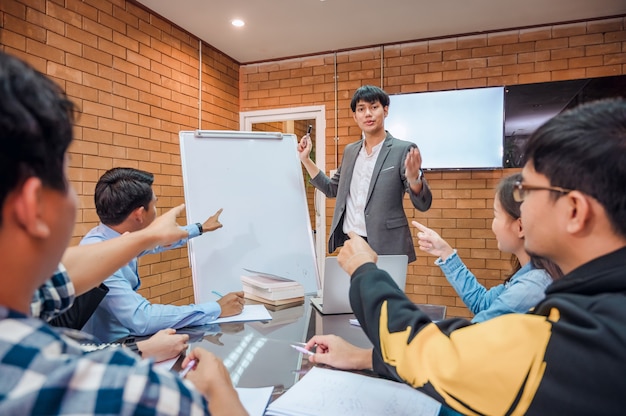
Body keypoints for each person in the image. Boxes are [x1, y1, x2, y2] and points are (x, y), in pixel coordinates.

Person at [305, 98, 626, 415]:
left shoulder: (575, 335)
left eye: (525, 191)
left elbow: (445, 357)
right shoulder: (589, 300)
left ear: (574, 210)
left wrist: (365, 270)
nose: (521, 207)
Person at [0, 51, 246, 415]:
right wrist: (217, 386)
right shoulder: (128, 392)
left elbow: (69, 272)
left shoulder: (46, 285)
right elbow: (139, 318)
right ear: (32, 206)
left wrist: (189, 230)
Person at [80, 167, 244, 343]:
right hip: (110, 351)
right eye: (155, 204)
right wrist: (216, 308)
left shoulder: (111, 235)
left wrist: (199, 228)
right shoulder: (101, 257)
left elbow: (156, 243)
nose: (157, 210)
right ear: (139, 214)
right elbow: (143, 318)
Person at [33, 204, 194, 361]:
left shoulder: (35, 296)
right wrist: (142, 350)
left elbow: (61, 330)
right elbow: (142, 319)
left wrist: (197, 228)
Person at [297, 85, 432, 262]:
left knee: (384, 291)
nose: (367, 113)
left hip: (387, 246)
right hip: (351, 243)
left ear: (385, 110)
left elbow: (423, 204)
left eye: (374, 107)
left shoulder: (403, 149)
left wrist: (414, 179)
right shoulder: (350, 151)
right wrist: (306, 160)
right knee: (351, 291)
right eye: (361, 109)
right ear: (355, 116)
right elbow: (332, 189)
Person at [414, 173, 562, 322]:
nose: (493, 225)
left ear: (520, 226)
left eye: (496, 215)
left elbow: (474, 332)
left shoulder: (531, 288)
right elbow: (483, 304)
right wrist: (445, 252)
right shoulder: (531, 275)